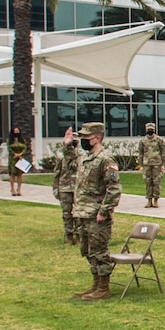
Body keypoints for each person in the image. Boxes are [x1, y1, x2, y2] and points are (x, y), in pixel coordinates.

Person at [70, 122, 122, 300]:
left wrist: (104, 210)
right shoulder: (86, 158)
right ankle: (95, 285)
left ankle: (103, 288)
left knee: (99, 251)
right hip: (83, 213)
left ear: (97, 138)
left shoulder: (105, 159)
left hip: (96, 214)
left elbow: (114, 188)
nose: (83, 140)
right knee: (87, 250)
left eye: (86, 137)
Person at [49, 127, 82, 242]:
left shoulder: (82, 155)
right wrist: (55, 188)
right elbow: (57, 173)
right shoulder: (61, 156)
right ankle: (68, 234)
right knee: (66, 213)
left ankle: (79, 234)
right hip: (65, 187)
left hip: (78, 188)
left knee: (78, 213)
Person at [137, 121, 165, 207]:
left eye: (151, 129)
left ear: (154, 130)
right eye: (148, 129)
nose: (150, 130)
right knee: (148, 182)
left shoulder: (159, 140)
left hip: (157, 164)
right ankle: (149, 200)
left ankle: (156, 200)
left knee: (156, 181)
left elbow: (163, 152)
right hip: (146, 164)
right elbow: (140, 153)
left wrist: (163, 164)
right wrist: (141, 165)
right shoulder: (142, 141)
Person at [5, 127, 27, 196]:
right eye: (15, 131)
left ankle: (19, 189)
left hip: (20, 159)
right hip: (13, 158)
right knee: (12, 174)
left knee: (19, 174)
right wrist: (15, 154)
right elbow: (9, 148)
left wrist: (20, 154)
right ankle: (12, 189)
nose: (16, 132)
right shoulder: (9, 140)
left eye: (17, 131)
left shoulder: (22, 140)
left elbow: (25, 147)